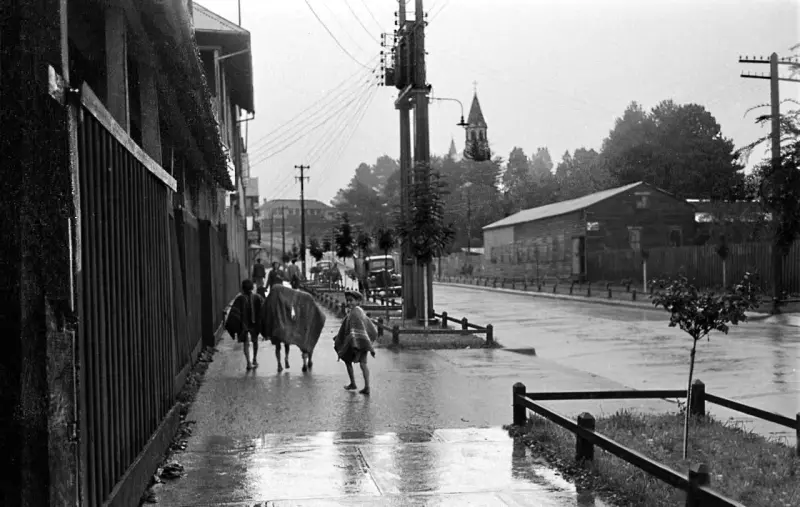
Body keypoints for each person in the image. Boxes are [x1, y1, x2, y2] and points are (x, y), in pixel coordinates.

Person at [333, 290, 377, 395]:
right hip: (360, 341)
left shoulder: (356, 312)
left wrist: (356, 340)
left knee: (355, 362)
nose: (349, 303)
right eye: (347, 300)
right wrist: (341, 337)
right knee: (358, 362)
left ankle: (361, 385)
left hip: (360, 342)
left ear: (358, 301)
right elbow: (348, 327)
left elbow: (358, 328)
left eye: (351, 300)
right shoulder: (355, 311)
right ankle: (363, 385)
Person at [224, 279, 263, 371]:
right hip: (254, 324)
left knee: (246, 343)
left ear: (243, 288)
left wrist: (232, 324)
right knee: (255, 341)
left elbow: (234, 313)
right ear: (252, 287)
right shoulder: (257, 297)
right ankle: (254, 360)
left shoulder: (240, 298)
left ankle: (248, 363)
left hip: (244, 324)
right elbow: (263, 309)